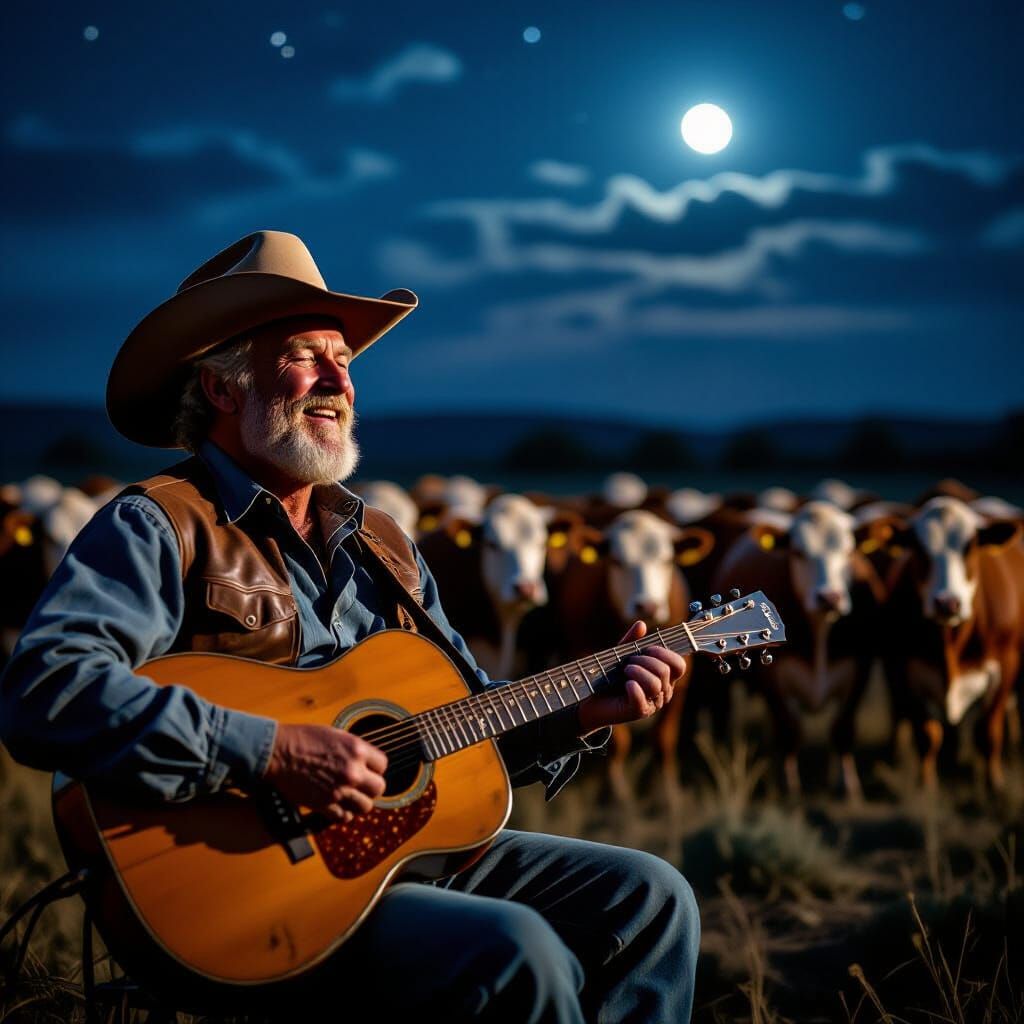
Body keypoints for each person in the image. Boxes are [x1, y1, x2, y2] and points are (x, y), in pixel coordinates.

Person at [0, 231, 700, 1022]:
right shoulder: (158, 526)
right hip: (253, 894)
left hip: (399, 854)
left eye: (346, 361)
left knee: (653, 897)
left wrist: (578, 712)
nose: (339, 379)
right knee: (516, 949)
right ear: (223, 388)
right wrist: (268, 750)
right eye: (306, 356)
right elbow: (45, 689)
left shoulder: (386, 545)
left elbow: (459, 724)